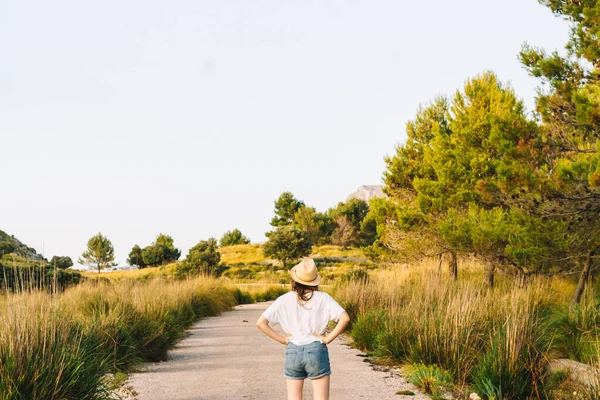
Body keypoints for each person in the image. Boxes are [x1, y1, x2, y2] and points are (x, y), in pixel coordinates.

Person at [256, 258, 351, 400]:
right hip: (317, 350)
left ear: (295, 280)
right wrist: (327, 339)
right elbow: (345, 318)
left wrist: (283, 339)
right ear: (314, 281)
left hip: (293, 350)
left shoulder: (284, 299)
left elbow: (261, 323)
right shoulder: (323, 298)